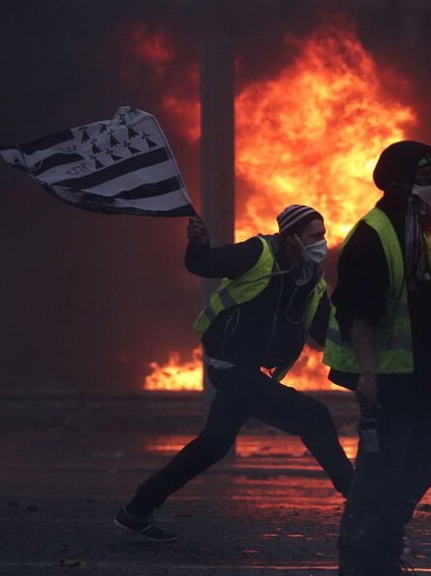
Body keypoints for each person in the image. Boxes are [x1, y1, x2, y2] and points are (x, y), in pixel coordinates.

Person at [115, 205, 354, 542]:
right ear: (292, 238)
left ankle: (137, 510)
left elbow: (325, 332)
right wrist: (199, 243)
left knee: (213, 445)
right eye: (315, 235)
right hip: (230, 366)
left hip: (255, 374)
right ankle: (359, 503)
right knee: (315, 417)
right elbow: (204, 264)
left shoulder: (312, 280)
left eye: (323, 235)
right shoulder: (260, 252)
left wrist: (364, 354)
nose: (322, 242)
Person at [324, 141, 431, 576]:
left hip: (423, 381)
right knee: (376, 481)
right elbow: (358, 311)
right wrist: (370, 376)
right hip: (390, 382)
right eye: (426, 174)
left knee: (416, 474)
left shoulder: (419, 234)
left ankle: (384, 567)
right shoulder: (373, 234)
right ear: (400, 180)